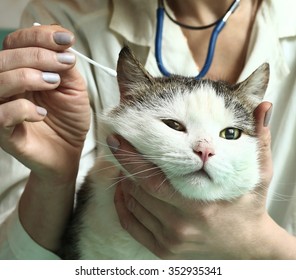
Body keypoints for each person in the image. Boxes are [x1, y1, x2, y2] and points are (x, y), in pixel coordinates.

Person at [0, 0, 296, 259]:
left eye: (230, 133)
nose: (205, 150)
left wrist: (262, 246)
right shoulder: (63, 15)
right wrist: (54, 178)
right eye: (174, 125)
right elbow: (16, 263)